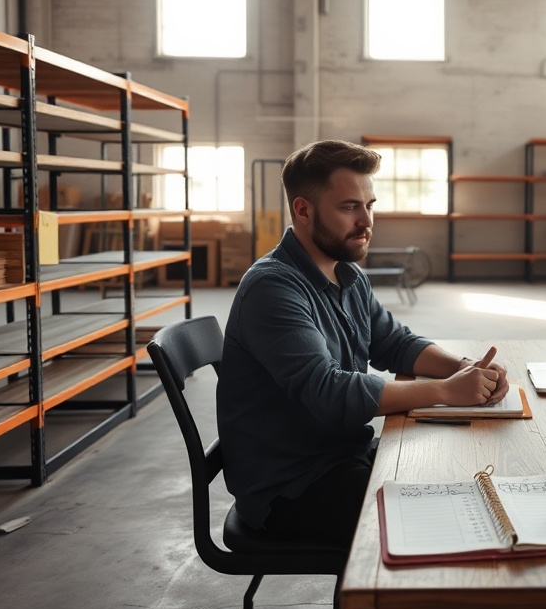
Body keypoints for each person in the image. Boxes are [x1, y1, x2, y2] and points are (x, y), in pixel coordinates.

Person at [216, 139, 508, 548]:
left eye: (370, 205)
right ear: (303, 209)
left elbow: (394, 342)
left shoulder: (347, 274)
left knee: (458, 472)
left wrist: (463, 368)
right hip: (292, 484)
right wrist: (445, 391)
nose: (366, 221)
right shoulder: (273, 288)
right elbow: (328, 391)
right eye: (349, 207)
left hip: (341, 455)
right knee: (450, 519)